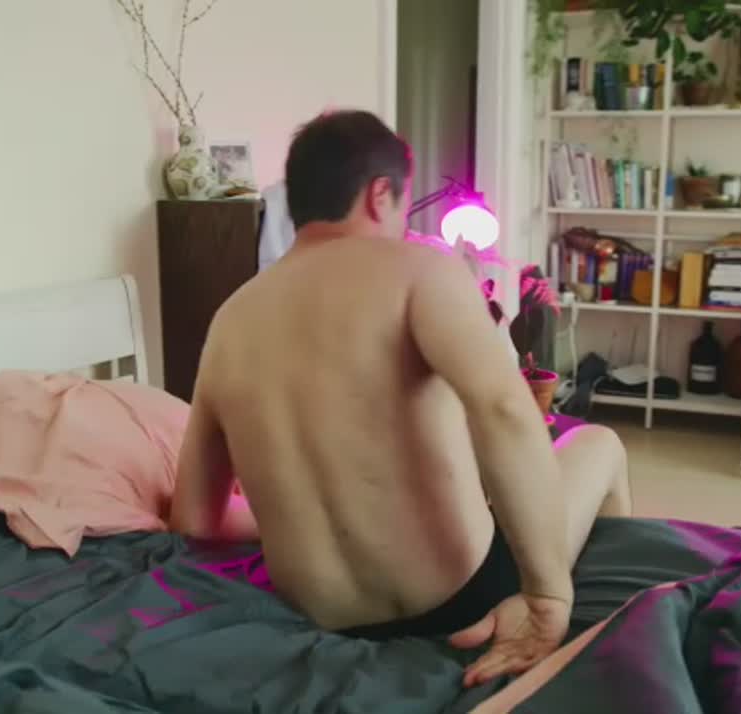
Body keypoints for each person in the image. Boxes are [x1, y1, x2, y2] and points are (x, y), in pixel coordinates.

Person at [170, 110, 632, 688]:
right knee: (599, 444)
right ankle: (614, 620)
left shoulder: (230, 319)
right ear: (379, 194)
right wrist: (545, 594)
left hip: (321, 615)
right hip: (459, 601)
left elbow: (194, 519)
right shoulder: (421, 269)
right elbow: (505, 410)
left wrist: (289, 512)